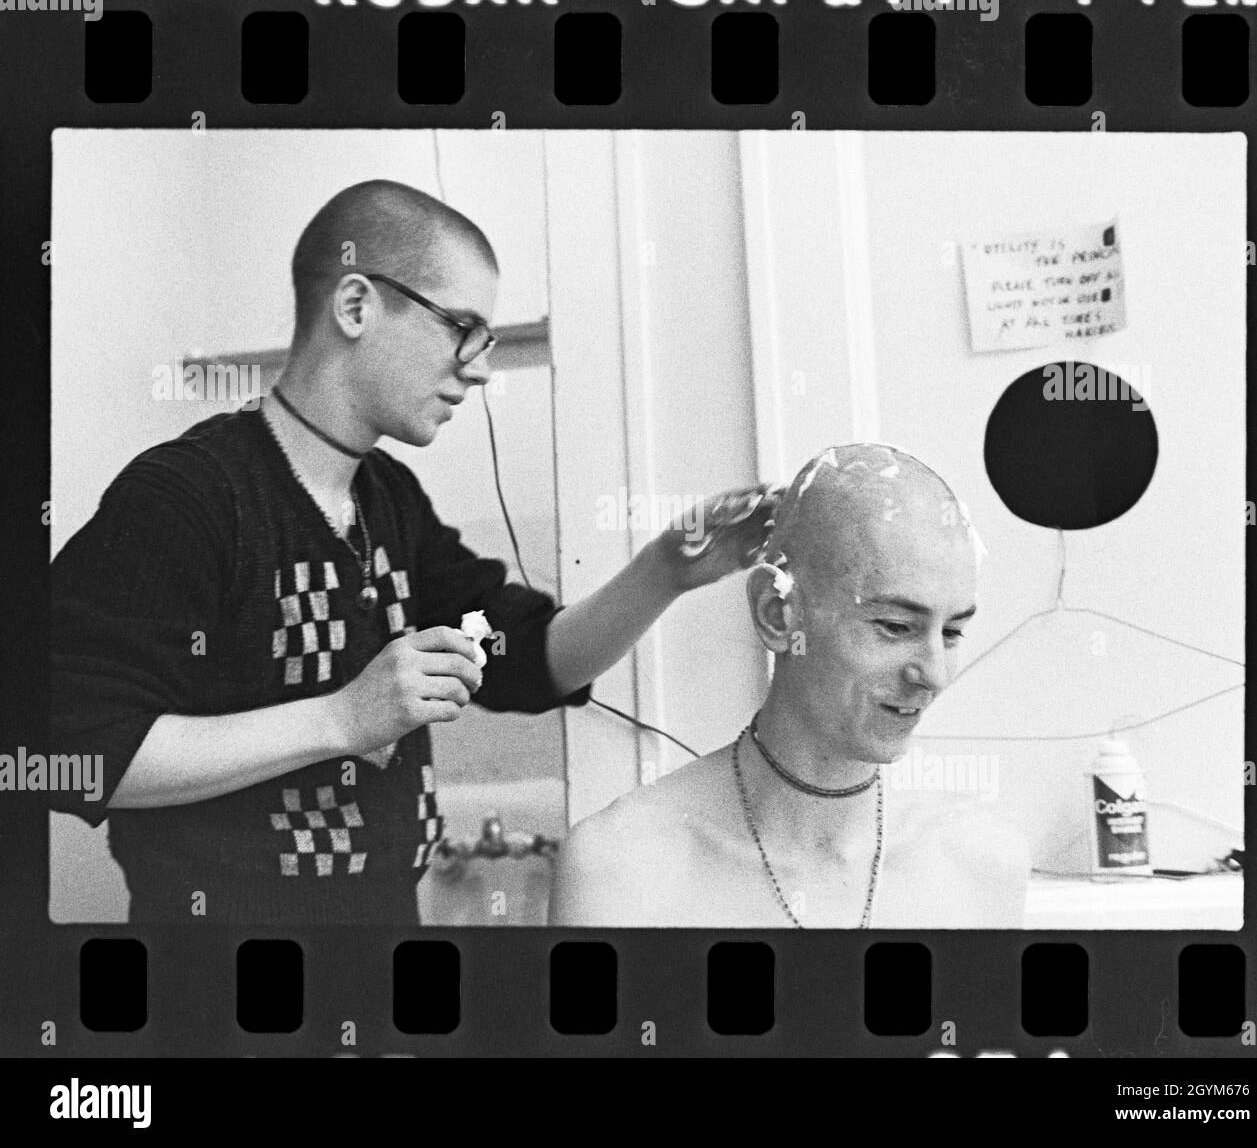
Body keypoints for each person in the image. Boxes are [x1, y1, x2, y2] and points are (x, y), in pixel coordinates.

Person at [50, 179, 772, 925]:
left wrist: (666, 570)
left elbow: (526, 655)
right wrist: (340, 719)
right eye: (460, 325)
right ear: (357, 305)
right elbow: (71, 748)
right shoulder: (186, 498)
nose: (481, 366)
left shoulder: (390, 499)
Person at [549, 443, 1030, 928]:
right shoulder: (621, 871)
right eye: (894, 626)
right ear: (777, 614)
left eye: (951, 633)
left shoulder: (981, 867)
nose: (933, 675)